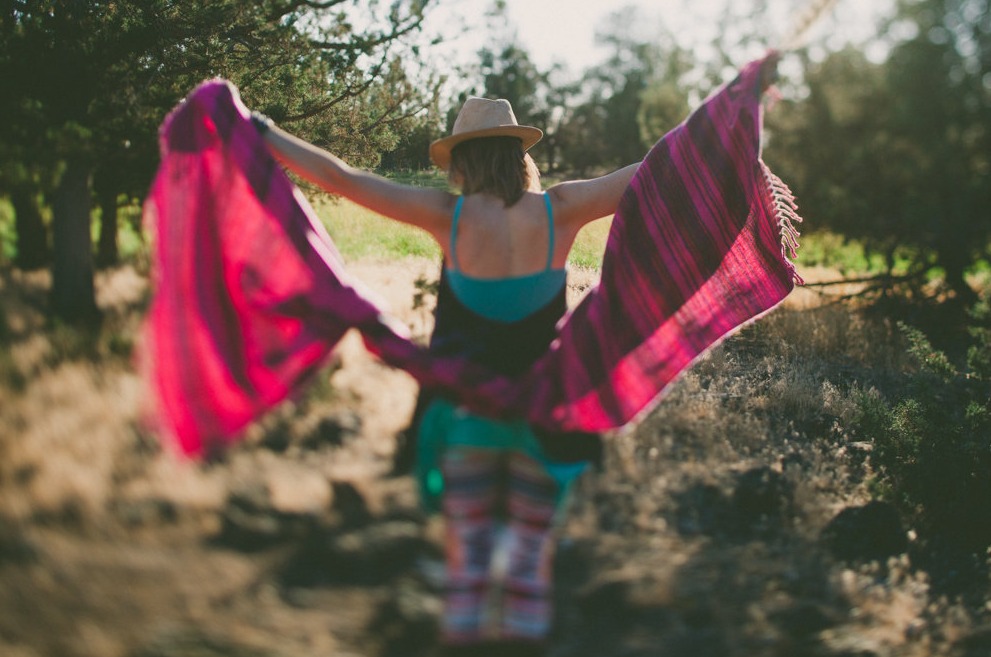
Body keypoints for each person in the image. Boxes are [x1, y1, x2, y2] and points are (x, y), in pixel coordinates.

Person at [253, 97, 639, 656]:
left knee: (469, 572)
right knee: (529, 566)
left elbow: (341, 178)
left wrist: (264, 130)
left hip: (466, 420)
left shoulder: (447, 216)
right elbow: (650, 171)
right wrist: (728, 120)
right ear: (517, 155)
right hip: (546, 421)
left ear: (462, 162)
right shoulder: (562, 209)